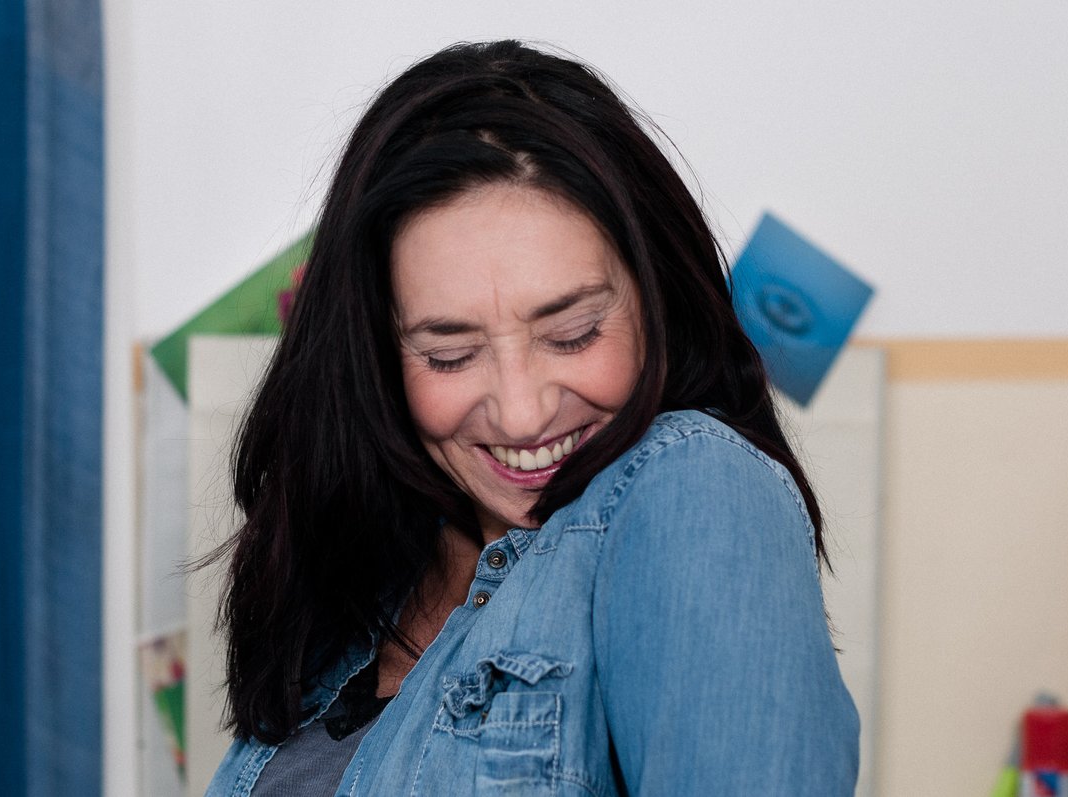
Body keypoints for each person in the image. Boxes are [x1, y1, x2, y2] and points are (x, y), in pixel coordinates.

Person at [205, 39, 859, 796]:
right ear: (377, 357)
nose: (521, 412)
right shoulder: (358, 598)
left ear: (657, 302)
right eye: (449, 354)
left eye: (573, 333)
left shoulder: (697, 486)